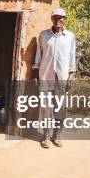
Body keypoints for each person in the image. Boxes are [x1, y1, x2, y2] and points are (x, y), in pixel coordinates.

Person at [32, 8, 77, 149]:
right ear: (51, 19)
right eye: (55, 17)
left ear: (65, 19)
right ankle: (45, 136)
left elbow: (72, 57)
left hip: (62, 78)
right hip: (45, 76)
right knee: (46, 108)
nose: (58, 20)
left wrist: (71, 75)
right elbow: (38, 55)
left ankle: (56, 136)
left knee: (60, 108)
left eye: (61, 17)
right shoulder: (44, 35)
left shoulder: (70, 36)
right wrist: (36, 74)